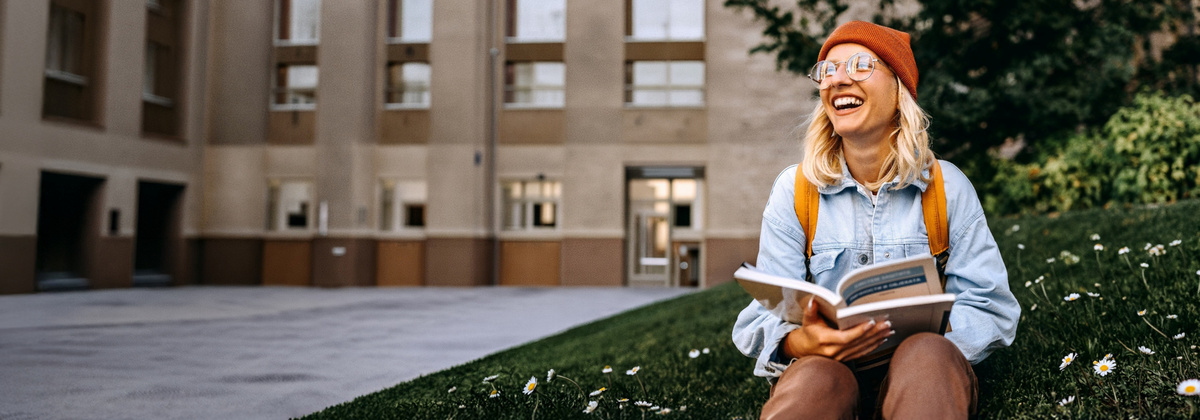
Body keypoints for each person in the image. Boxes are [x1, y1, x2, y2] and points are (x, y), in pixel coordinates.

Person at [731, 21, 1020, 420]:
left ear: (899, 88)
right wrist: (802, 343)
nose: (837, 79)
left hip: (923, 372)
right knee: (816, 378)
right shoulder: (794, 191)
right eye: (827, 70)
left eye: (860, 65)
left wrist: (922, 337)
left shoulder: (946, 187)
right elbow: (762, 317)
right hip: (829, 369)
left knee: (926, 356)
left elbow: (990, 306)